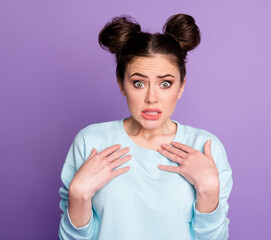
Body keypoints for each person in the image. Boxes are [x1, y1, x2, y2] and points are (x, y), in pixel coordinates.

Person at [58, 13, 233, 240]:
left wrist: (209, 188)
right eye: (139, 83)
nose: (152, 97)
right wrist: (78, 194)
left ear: (181, 87)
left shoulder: (206, 147)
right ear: (122, 84)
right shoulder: (90, 142)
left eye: (165, 83)